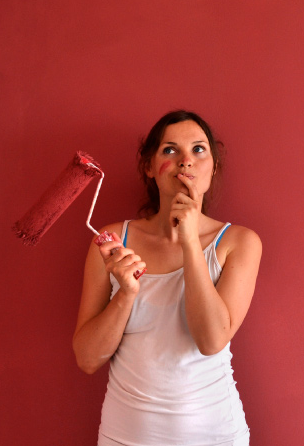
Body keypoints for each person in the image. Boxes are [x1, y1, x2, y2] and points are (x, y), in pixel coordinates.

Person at [73, 110, 262, 446]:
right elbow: (87, 359)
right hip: (124, 438)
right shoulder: (111, 242)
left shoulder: (239, 243)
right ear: (149, 167)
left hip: (215, 436)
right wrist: (126, 294)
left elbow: (210, 341)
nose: (185, 162)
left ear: (213, 167)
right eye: (170, 150)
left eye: (199, 150)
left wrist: (189, 240)